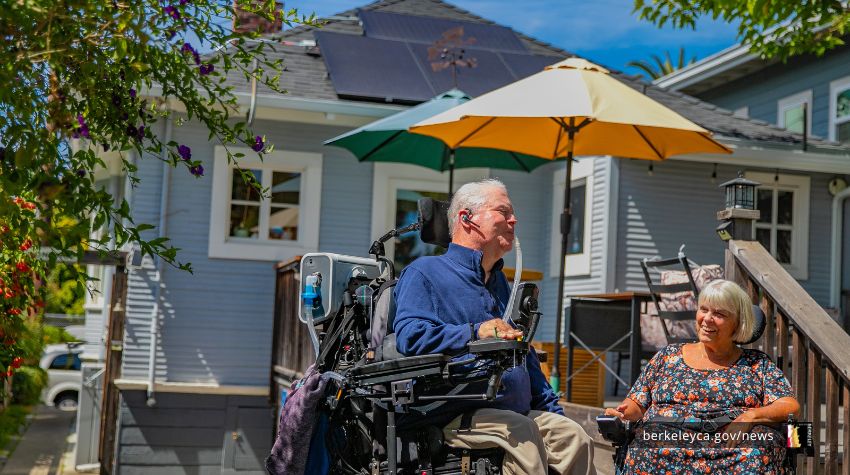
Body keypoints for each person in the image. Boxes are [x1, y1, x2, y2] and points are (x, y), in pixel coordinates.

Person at [393, 179, 596, 475]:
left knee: (573, 436)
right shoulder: (424, 273)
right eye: (503, 211)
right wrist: (475, 331)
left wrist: (553, 412)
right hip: (451, 412)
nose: (514, 220)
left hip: (513, 412)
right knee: (522, 433)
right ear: (467, 219)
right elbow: (410, 337)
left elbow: (522, 356)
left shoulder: (504, 285)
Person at [604, 279, 800, 473]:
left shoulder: (757, 364)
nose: (707, 319)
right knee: (645, 444)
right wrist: (622, 413)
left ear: (738, 323)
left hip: (732, 445)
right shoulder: (668, 356)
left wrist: (751, 415)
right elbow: (637, 403)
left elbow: (790, 406)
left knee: (760, 448)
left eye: (719, 314)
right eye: (704, 309)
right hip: (668, 441)